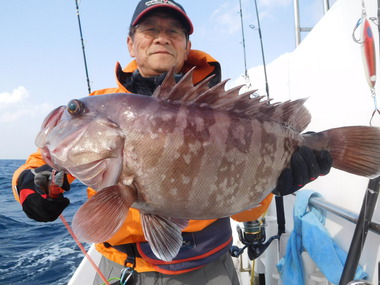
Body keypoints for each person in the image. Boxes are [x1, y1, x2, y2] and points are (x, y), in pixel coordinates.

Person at [12, 1, 332, 284]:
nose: (162, 37)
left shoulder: (225, 115)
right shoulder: (100, 105)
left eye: (174, 31)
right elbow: (42, 163)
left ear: (186, 43)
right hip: (117, 267)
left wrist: (276, 182)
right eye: (150, 29)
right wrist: (30, 186)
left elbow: (246, 215)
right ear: (130, 43)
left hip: (208, 268)